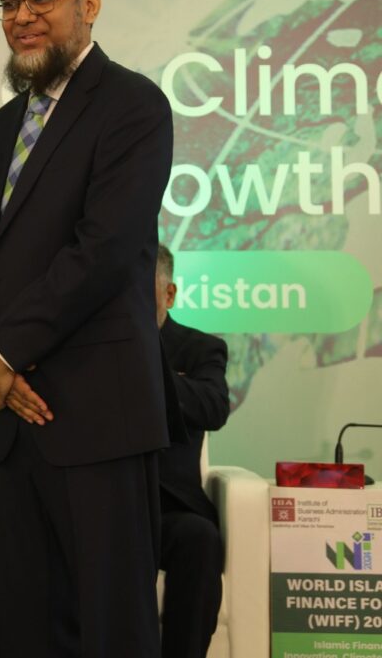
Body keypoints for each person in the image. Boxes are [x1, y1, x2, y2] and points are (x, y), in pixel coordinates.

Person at [0, 0, 174, 657]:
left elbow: (103, 250)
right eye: (9, 1)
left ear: (90, 3)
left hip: (98, 412)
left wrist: (4, 351)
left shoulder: (133, 104)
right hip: (14, 422)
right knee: (23, 628)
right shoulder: (2, 125)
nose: (22, 16)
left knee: (112, 629)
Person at [156, 244, 229, 658]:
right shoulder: (91, 347)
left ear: (169, 294)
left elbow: (213, 408)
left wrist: (148, 365)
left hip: (170, 507)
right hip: (107, 503)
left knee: (200, 539)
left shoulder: (200, 348)